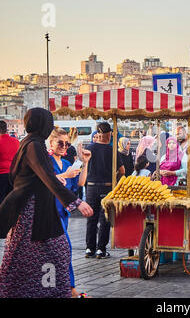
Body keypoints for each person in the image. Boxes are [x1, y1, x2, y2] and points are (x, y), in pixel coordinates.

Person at [0, 108, 93, 298]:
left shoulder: (30, 143)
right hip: (32, 213)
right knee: (43, 254)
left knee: (34, 256)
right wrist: (75, 202)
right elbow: (47, 176)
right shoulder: (34, 145)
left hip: (36, 210)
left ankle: (47, 291)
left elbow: (40, 177)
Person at [48, 126, 92, 298]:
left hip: (63, 214)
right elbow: (48, 182)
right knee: (65, 249)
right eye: (60, 143)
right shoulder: (46, 162)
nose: (64, 147)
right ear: (50, 142)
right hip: (50, 213)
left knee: (59, 252)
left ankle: (60, 288)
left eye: (66, 144)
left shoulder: (66, 163)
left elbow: (80, 183)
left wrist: (85, 162)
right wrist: (65, 175)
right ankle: (70, 289)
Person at [85, 122, 125, 259]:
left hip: (90, 186)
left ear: (98, 133)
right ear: (109, 134)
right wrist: (115, 179)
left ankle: (89, 248)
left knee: (91, 218)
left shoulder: (89, 147)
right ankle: (100, 249)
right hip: (107, 186)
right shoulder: (112, 150)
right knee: (104, 218)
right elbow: (122, 171)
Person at [0, 120, 19, 204]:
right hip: (13, 174)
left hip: (1, 174)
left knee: (1, 199)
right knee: (11, 198)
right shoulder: (16, 141)